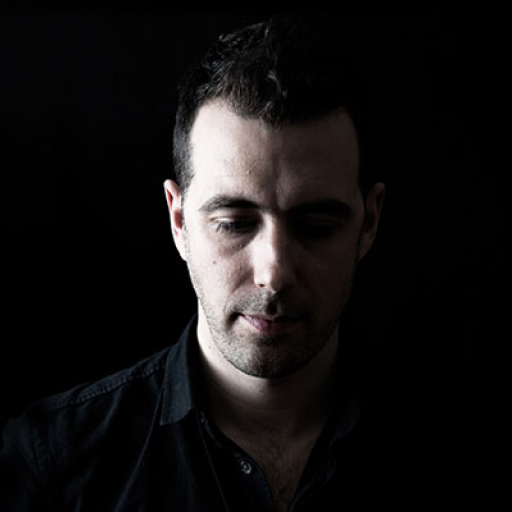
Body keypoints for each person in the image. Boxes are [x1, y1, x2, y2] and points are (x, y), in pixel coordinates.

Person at [1, 16, 392, 511]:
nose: (273, 274)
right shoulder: (53, 467)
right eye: (234, 223)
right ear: (179, 220)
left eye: (315, 226)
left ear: (369, 222)